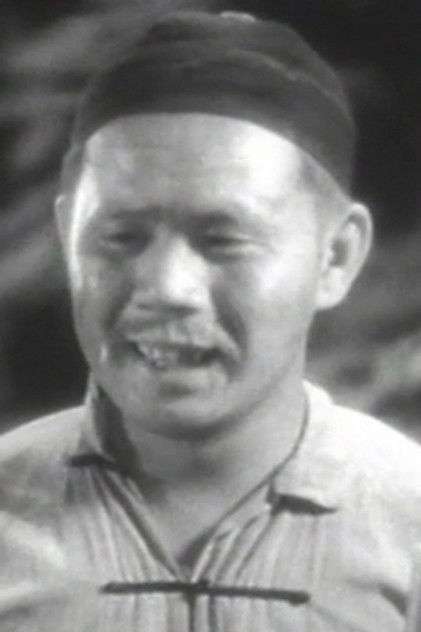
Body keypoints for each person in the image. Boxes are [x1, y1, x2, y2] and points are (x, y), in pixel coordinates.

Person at [1, 9, 421, 631]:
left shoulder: (407, 521)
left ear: (335, 255)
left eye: (223, 240)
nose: (166, 288)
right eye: (121, 237)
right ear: (68, 239)